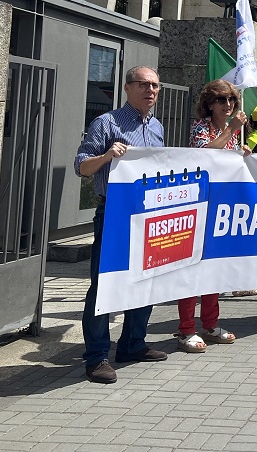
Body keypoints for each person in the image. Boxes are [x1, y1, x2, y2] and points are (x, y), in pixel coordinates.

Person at [75, 65, 167, 384]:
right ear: (127, 88)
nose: (151, 91)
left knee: (146, 279)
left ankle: (132, 345)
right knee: (104, 285)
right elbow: (82, 168)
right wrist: (106, 156)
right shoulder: (107, 123)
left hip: (148, 215)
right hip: (113, 213)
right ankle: (97, 356)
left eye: (155, 86)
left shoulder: (156, 127)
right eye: (144, 84)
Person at [176, 80, 249, 354]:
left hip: (222, 208)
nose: (228, 105)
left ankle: (210, 323)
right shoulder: (201, 128)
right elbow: (204, 154)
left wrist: (242, 154)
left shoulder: (230, 133)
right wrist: (232, 131)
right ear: (209, 104)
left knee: (214, 269)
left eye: (231, 100)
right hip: (199, 206)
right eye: (222, 100)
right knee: (192, 269)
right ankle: (185, 329)